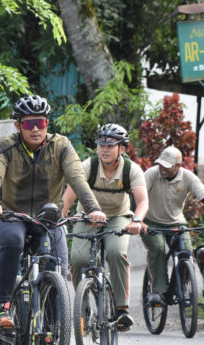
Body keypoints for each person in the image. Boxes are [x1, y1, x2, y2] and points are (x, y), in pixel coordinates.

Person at [0, 94, 106, 330]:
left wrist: (94, 209)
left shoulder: (61, 145)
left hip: (48, 218)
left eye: (42, 123)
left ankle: (53, 329)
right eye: (29, 124)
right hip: (11, 215)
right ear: (18, 125)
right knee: (13, 241)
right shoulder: (5, 145)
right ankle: (2, 306)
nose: (36, 129)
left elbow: (77, 178)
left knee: (57, 266)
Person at [62, 123, 149, 331]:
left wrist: (136, 220)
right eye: (101, 144)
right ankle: (81, 307)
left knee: (116, 252)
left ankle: (121, 310)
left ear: (122, 148)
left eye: (110, 145)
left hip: (117, 217)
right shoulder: (88, 166)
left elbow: (142, 201)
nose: (104, 149)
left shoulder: (131, 170)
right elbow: (67, 199)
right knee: (78, 259)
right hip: (87, 217)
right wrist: (60, 219)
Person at [142, 146, 204, 305]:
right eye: (160, 164)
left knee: (186, 252)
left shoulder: (188, 177)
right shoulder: (151, 174)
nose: (162, 168)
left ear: (178, 166)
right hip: (151, 221)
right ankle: (157, 291)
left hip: (176, 222)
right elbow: (138, 196)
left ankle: (179, 287)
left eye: (167, 166)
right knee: (158, 248)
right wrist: (136, 219)